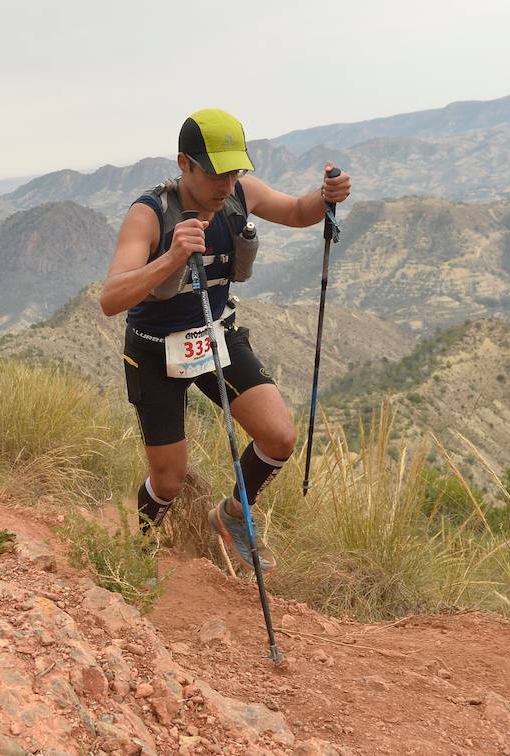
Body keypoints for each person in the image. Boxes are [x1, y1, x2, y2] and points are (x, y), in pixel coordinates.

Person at [100, 108, 351, 571]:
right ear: (184, 163)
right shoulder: (149, 213)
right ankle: (144, 548)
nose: (226, 182)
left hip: (215, 336)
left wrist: (325, 195)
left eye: (234, 170)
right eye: (215, 171)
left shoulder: (240, 195)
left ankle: (232, 516)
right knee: (169, 481)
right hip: (154, 352)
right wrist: (172, 255)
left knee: (278, 437)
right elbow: (111, 297)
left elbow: (297, 212)